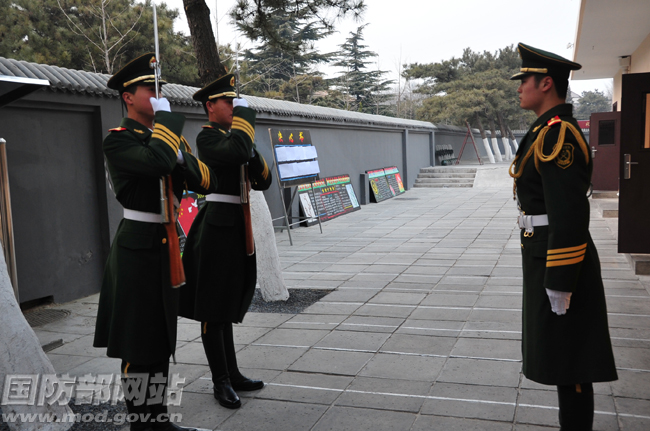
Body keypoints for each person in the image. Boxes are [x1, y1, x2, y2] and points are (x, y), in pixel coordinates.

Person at [94, 53, 217, 431]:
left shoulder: (167, 139)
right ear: (128, 97)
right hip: (136, 247)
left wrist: (183, 155)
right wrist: (169, 136)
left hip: (165, 244)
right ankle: (141, 424)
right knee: (137, 342)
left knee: (161, 334)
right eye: (150, 89)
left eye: (159, 89)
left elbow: (206, 181)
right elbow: (156, 162)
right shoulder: (118, 142)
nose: (157, 96)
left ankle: (159, 421)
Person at [509, 43, 618, 430]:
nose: (519, 87)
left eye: (525, 80)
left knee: (571, 361)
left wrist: (559, 280)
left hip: (560, 262)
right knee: (561, 357)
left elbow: (570, 215)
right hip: (543, 255)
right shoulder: (545, 130)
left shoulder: (559, 136)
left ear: (546, 83)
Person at [179, 74, 272, 409]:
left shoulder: (237, 140)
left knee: (227, 303)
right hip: (216, 228)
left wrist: (250, 150)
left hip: (237, 227)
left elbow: (264, 179)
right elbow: (236, 152)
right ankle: (220, 381)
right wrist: (245, 131)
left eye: (236, 103)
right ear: (210, 107)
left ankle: (232, 373)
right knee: (212, 308)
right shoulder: (208, 138)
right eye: (228, 102)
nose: (234, 108)